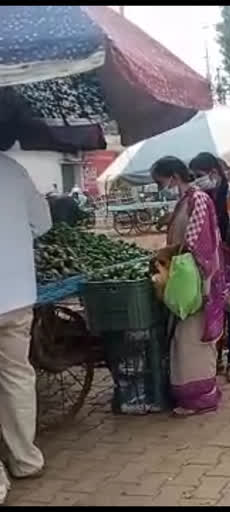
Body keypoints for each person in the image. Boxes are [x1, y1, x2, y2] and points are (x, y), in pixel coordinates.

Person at [150, 156, 225, 416]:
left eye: (162, 182)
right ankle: (192, 395)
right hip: (186, 278)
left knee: (192, 341)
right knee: (183, 339)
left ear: (173, 176)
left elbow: (197, 243)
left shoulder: (198, 199)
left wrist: (168, 251)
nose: (163, 187)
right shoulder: (187, 200)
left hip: (198, 280)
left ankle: (201, 398)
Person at [0, 154, 51, 503]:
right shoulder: (12, 168)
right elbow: (43, 223)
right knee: (16, 375)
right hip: (16, 296)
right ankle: (25, 459)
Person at [189, 152, 230, 383]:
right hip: (213, 262)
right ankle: (213, 358)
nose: (196, 180)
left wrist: (221, 243)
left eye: (199, 175)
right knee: (213, 309)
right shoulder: (200, 197)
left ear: (213, 173)